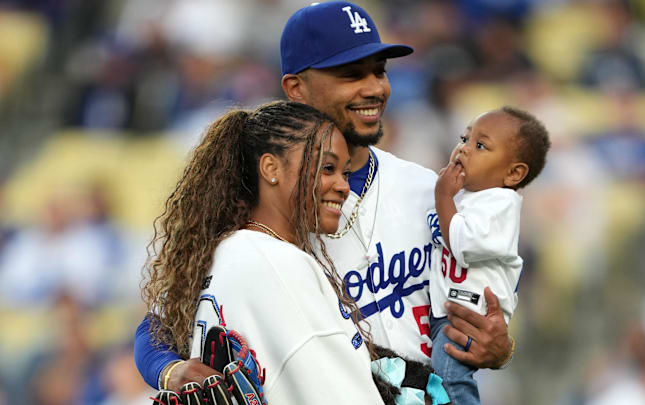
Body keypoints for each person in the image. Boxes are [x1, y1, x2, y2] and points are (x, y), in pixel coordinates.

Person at [135, 0, 515, 394]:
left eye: (379, 71)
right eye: (351, 74)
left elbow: (475, 315)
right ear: (295, 88)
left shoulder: (427, 193)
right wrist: (172, 371)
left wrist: (499, 347)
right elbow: (159, 325)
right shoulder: (265, 213)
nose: (375, 88)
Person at [142, 100, 385, 403]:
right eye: (328, 168)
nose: (343, 186)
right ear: (271, 168)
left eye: (345, 173)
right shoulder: (278, 263)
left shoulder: (218, 254)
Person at [427, 106, 550, 402]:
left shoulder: (501, 205)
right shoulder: (469, 196)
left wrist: (443, 196)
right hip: (451, 307)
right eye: (464, 138)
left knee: (448, 378)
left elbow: (463, 242)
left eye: (480, 145)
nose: (464, 149)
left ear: (513, 173)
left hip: (472, 315)